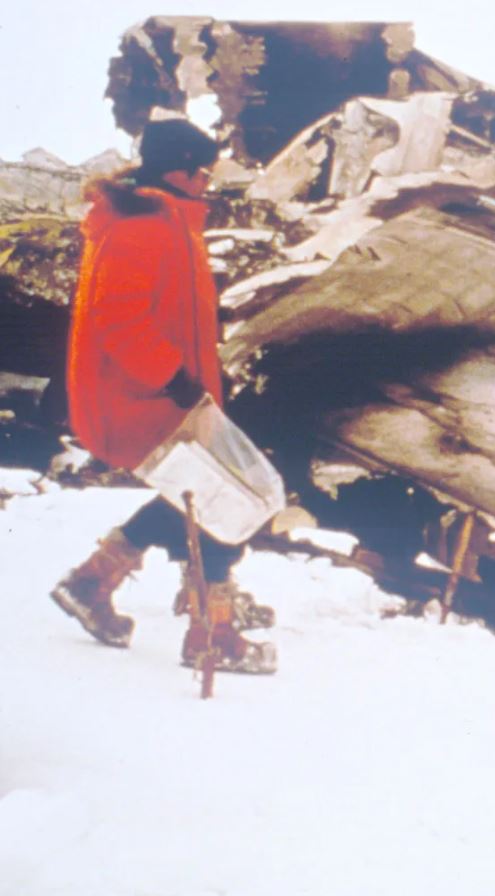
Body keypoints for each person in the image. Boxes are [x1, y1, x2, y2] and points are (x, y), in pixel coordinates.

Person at [50, 118, 276, 674]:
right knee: (219, 498)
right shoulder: (142, 227)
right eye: (202, 170)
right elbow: (120, 320)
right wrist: (174, 379)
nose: (207, 182)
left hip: (164, 393)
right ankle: (211, 634)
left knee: (196, 496)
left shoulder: (169, 221)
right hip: (142, 397)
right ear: (177, 168)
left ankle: (93, 581)